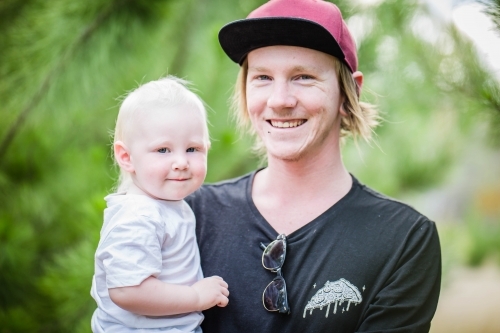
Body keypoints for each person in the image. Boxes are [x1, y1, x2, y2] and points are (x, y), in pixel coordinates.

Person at [186, 0, 441, 332]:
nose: (279, 100)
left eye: (303, 77)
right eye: (262, 77)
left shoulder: (403, 240)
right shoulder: (192, 215)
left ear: (349, 94)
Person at [90, 77, 229, 333]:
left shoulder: (167, 205)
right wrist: (195, 297)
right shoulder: (139, 215)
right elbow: (128, 290)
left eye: (192, 149)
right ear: (126, 157)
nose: (181, 162)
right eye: (163, 150)